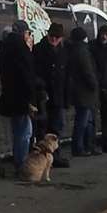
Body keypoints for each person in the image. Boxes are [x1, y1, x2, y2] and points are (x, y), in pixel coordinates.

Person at [0, 21, 38, 169]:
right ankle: (22, 164)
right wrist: (31, 98)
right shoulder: (21, 49)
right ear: (22, 33)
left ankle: (19, 160)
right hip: (21, 96)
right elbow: (26, 75)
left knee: (18, 130)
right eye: (28, 33)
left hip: (10, 94)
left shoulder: (4, 48)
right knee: (25, 132)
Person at [33, 23, 70, 165]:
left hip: (58, 95)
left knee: (57, 127)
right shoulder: (39, 50)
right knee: (43, 127)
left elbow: (67, 75)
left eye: (57, 37)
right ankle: (42, 157)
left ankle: (55, 156)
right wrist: (41, 87)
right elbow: (34, 72)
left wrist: (66, 97)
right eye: (52, 36)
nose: (54, 39)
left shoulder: (64, 51)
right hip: (43, 95)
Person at [65, 27, 98, 156]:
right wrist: (94, 84)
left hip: (79, 90)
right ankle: (80, 146)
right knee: (84, 120)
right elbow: (87, 71)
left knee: (84, 119)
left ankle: (85, 146)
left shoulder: (72, 49)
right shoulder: (82, 51)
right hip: (85, 91)